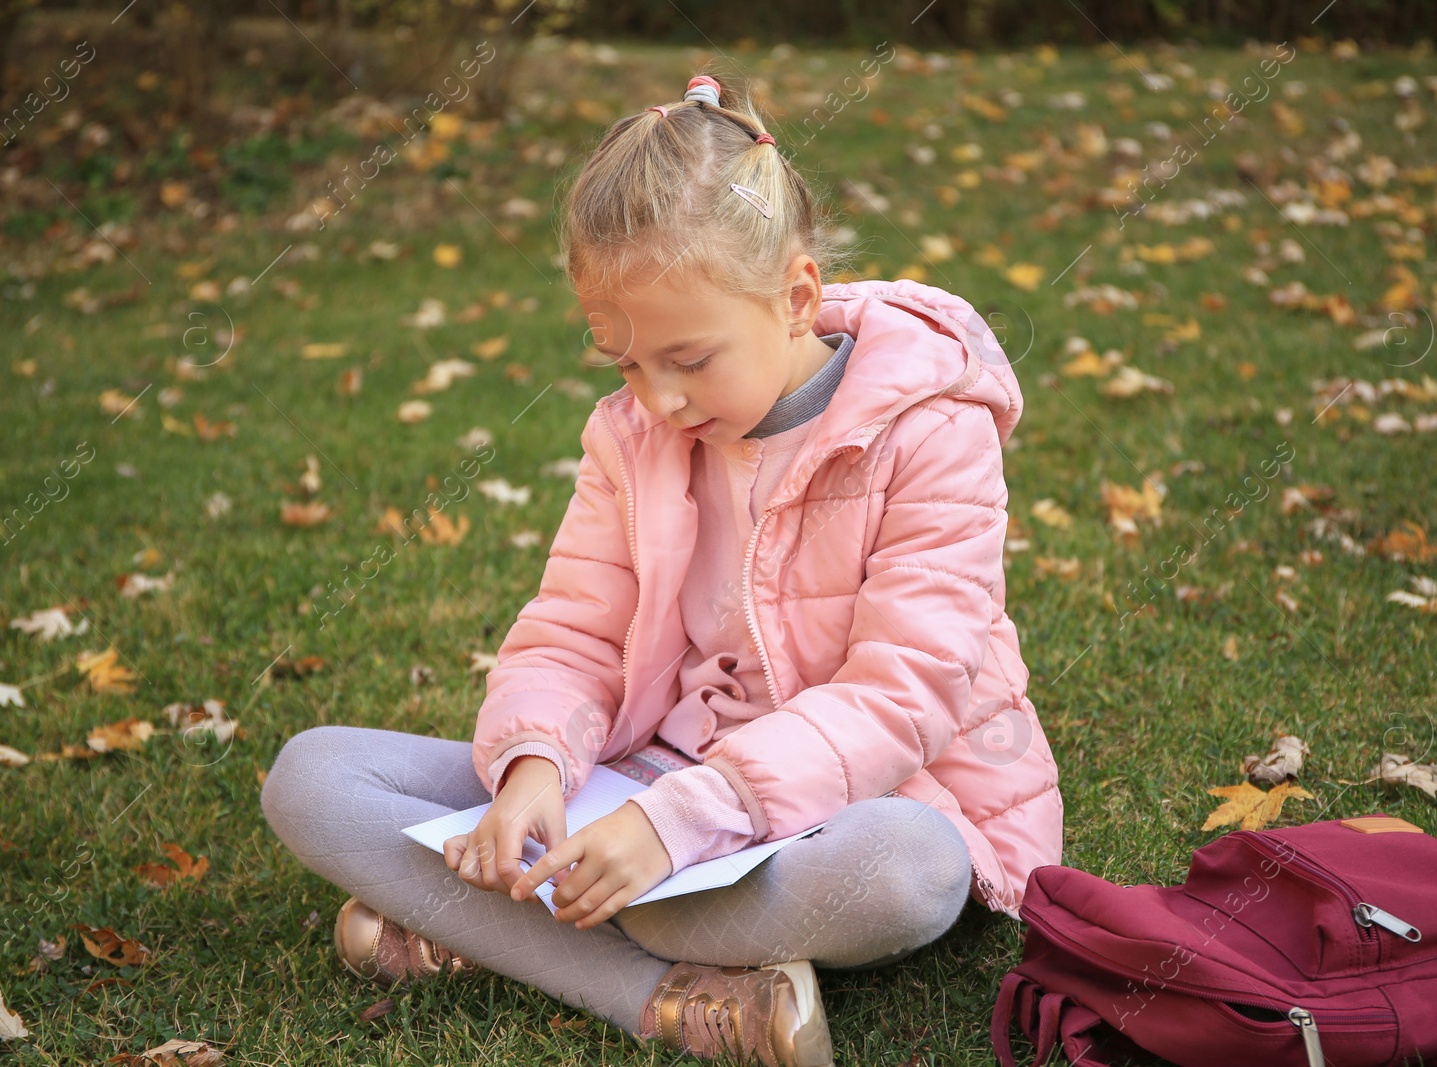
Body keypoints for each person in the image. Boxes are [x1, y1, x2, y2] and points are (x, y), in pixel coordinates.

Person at [259, 72, 1063, 1067]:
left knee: (906, 877)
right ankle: (679, 1000)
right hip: (646, 773)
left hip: (862, 800)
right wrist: (532, 769)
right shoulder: (631, 436)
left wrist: (678, 823)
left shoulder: (932, 431)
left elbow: (906, 690)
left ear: (796, 295)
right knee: (314, 778)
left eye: (689, 357)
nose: (661, 399)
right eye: (625, 363)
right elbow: (575, 627)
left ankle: (478, 927)